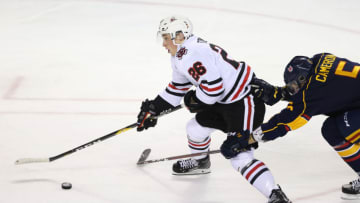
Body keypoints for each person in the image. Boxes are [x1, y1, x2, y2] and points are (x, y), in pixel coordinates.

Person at [136, 15, 291, 203]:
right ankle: (201, 161)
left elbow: (213, 88)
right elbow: (178, 87)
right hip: (224, 101)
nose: (163, 44)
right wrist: (155, 108)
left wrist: (195, 100)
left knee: (239, 155)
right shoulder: (181, 55)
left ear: (179, 36)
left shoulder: (192, 53)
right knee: (195, 128)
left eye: (166, 38)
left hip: (243, 102)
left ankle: (275, 195)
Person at [240, 53, 360, 200]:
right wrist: (279, 93)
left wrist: (251, 138)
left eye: (295, 85)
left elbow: (285, 121)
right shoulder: (320, 58)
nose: (294, 89)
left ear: (303, 78)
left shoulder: (314, 91)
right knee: (332, 130)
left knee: (345, 126)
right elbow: (321, 92)